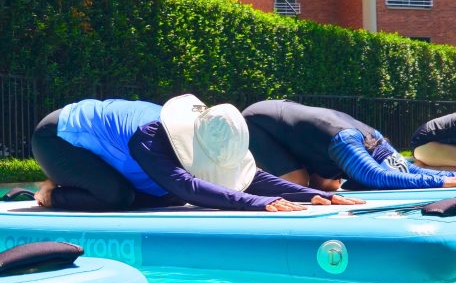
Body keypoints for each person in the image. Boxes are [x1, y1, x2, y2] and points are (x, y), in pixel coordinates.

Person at [31, 95, 362, 212]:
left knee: (165, 196)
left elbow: (250, 178)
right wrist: (259, 204)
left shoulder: (202, 131)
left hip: (109, 154)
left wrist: (315, 196)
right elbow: (187, 186)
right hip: (58, 140)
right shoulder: (149, 138)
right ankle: (53, 195)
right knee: (115, 196)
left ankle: (80, 185)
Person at [242, 100, 456, 191]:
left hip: (325, 134)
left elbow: (395, 173)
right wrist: (448, 178)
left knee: (322, 185)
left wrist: (451, 178)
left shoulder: (375, 138)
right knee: (308, 184)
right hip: (260, 122)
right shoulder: (345, 141)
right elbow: (385, 174)